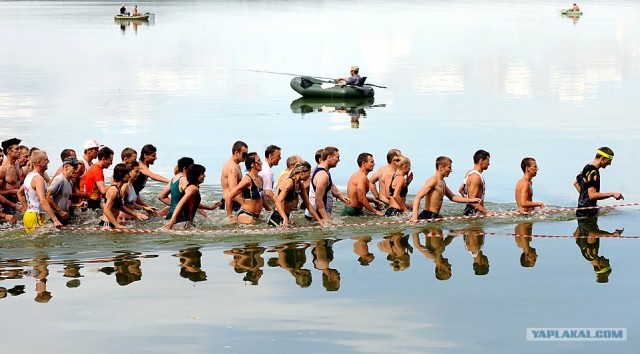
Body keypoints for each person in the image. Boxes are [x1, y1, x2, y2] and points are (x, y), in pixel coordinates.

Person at [411, 156, 481, 221]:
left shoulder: (442, 182)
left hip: (435, 216)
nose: (451, 170)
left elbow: (453, 197)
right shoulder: (433, 181)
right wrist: (415, 217)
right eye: (449, 167)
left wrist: (470, 200)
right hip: (427, 216)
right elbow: (417, 197)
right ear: (441, 168)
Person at [16, 151, 63, 233]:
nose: (48, 161)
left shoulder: (29, 175)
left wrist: (27, 209)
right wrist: (55, 219)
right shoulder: (38, 179)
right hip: (36, 215)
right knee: (40, 244)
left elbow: (19, 193)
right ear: (39, 163)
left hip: (29, 215)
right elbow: (42, 201)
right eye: (46, 159)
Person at [268, 161, 323, 228]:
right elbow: (277, 202)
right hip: (277, 217)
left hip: (286, 216)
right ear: (302, 173)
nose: (309, 176)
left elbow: (308, 204)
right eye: (308, 173)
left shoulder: (300, 185)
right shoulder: (289, 183)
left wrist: (319, 220)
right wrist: (285, 219)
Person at [573, 147, 623, 218]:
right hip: (589, 213)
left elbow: (575, 183)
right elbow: (592, 195)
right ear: (602, 158)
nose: (610, 164)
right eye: (609, 161)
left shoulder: (587, 167)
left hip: (580, 209)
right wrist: (612, 194)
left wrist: (584, 198)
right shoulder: (594, 172)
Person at [164, 164, 216, 230]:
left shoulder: (193, 187)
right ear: (195, 176)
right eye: (202, 174)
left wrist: (210, 208)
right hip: (184, 223)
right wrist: (172, 221)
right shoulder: (193, 189)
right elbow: (180, 203)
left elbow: (192, 203)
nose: (204, 176)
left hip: (183, 222)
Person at [226, 152, 271, 224]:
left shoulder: (260, 179)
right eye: (259, 161)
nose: (261, 163)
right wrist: (230, 217)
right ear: (252, 164)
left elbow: (262, 198)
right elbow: (229, 196)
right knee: (253, 223)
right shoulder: (247, 180)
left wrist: (270, 212)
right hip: (246, 215)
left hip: (257, 215)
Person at [305, 147, 346, 224]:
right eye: (337, 157)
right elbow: (318, 200)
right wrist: (326, 219)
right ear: (329, 157)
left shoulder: (324, 171)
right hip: (317, 215)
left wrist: (341, 196)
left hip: (318, 214)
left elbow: (330, 188)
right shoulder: (323, 175)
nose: (339, 160)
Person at [99, 163, 146, 229]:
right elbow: (106, 209)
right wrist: (117, 225)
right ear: (121, 175)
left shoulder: (119, 189)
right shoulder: (114, 189)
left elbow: (120, 206)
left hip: (112, 223)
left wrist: (135, 214)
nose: (129, 176)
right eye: (127, 174)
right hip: (107, 224)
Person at [45, 157, 80, 225]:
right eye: (74, 168)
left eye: (77, 168)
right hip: (56, 216)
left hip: (64, 216)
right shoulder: (59, 179)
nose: (76, 170)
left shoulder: (70, 182)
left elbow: (67, 202)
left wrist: (78, 205)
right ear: (66, 167)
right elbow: (47, 197)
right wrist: (60, 211)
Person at [459, 149, 490, 216]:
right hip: (473, 212)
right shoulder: (476, 177)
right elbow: (473, 201)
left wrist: (467, 199)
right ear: (481, 161)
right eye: (487, 161)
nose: (489, 164)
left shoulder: (469, 173)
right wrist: (486, 213)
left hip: (471, 210)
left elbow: (461, 190)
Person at [220, 141, 248, 212]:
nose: (246, 156)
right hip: (230, 204)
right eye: (244, 154)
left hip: (234, 202)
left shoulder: (236, 165)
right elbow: (233, 191)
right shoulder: (233, 168)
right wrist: (245, 205)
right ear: (236, 153)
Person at [0, 138, 25, 215]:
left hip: (19, 201)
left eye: (19, 149)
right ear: (8, 151)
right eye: (17, 149)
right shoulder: (3, 169)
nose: (20, 151)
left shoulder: (17, 164)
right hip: (7, 204)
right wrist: (11, 192)